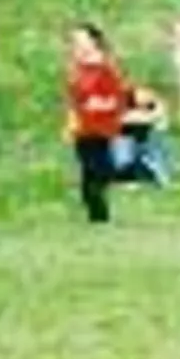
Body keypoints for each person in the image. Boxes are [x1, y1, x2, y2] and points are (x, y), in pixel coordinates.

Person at [64, 23, 130, 223]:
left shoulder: (106, 68)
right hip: (83, 129)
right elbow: (74, 100)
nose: (75, 43)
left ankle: (100, 218)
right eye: (73, 39)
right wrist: (71, 122)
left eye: (80, 38)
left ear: (93, 41)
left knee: (96, 174)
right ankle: (97, 219)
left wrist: (100, 103)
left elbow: (118, 98)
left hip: (101, 129)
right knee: (88, 178)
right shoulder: (77, 69)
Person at [115, 86, 172, 187]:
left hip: (152, 135)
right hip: (134, 135)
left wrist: (134, 117)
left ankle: (161, 177)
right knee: (122, 144)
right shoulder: (124, 103)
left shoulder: (155, 106)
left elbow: (152, 119)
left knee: (153, 147)